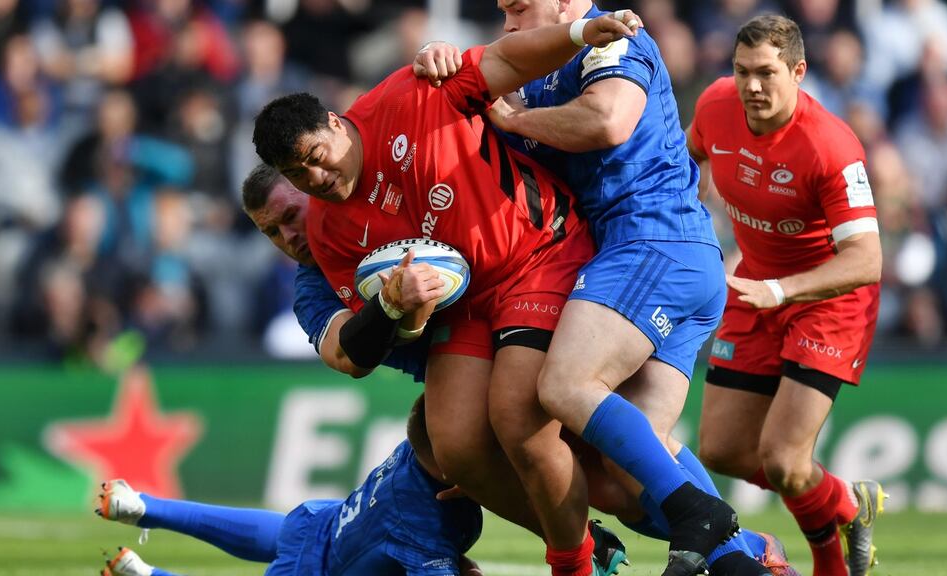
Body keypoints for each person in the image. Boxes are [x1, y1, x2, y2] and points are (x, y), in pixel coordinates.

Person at [241, 164, 799, 576]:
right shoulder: (313, 288)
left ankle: (732, 553)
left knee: (621, 461)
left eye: (292, 215)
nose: (289, 236)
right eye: (271, 231)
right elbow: (344, 354)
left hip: (553, 301)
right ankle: (738, 547)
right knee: (601, 484)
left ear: (314, 190)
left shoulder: (385, 209)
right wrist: (389, 307)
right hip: (483, 357)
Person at [251, 13, 646, 576]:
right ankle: (593, 546)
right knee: (454, 445)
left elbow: (505, 61)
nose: (316, 179)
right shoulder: (326, 235)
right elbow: (367, 346)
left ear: (337, 125)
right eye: (299, 173)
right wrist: (398, 308)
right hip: (466, 304)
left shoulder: (412, 94)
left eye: (316, 158)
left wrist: (579, 35)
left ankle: (606, 559)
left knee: (523, 426)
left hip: (536, 256)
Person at [411, 2, 764, 575]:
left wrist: (516, 120)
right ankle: (745, 561)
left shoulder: (611, 37)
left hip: (649, 243)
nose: (508, 24)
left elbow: (608, 121)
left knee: (567, 385)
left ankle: (702, 519)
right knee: (631, 469)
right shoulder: (546, 70)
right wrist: (438, 63)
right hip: (671, 261)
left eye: (518, 8)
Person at [684, 14, 884, 576]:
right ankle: (846, 502)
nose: (752, 86)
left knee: (784, 460)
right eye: (742, 71)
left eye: (767, 73)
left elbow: (866, 260)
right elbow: (681, 163)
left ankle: (829, 564)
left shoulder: (830, 146)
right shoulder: (716, 105)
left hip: (828, 298)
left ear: (798, 71)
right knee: (720, 450)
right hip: (755, 285)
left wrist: (782, 290)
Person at [95, 395, 486, 576]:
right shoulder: (424, 535)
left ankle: (142, 505)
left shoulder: (410, 452)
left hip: (321, 526)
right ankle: (148, 575)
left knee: (286, 534)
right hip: (319, 571)